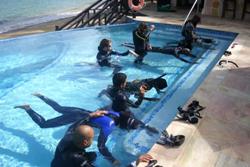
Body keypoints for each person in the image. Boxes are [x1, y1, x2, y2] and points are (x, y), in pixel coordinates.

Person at [14, 93, 158, 165]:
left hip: (84, 114)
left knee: (59, 108)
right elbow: (101, 146)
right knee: (44, 124)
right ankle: (28, 108)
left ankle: (42, 97)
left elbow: (131, 119)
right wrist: (112, 160)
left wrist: (147, 127)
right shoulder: (108, 127)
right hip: (77, 120)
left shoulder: (119, 113)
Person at [99, 73, 168, 102]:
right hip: (132, 87)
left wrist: (159, 92)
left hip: (134, 84)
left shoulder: (153, 82)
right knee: (122, 96)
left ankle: (110, 88)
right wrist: (150, 99)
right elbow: (136, 97)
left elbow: (155, 86)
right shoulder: (143, 86)